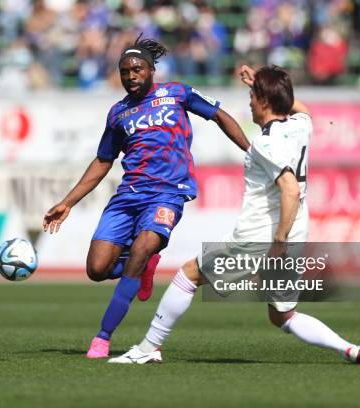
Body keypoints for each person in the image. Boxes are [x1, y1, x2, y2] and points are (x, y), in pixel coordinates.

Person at [109, 65, 360, 365]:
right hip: (297, 233)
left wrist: (278, 241)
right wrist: (265, 85)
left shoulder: (266, 143)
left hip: (260, 237)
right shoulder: (300, 126)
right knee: (282, 315)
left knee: (186, 277)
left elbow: (289, 189)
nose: (249, 102)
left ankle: (149, 348)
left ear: (265, 101)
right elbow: (301, 108)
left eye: (253, 96)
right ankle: (352, 350)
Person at [43, 36, 249, 359]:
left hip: (167, 194)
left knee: (140, 249)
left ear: (152, 70)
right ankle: (142, 265)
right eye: (124, 72)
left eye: (137, 69)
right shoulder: (118, 114)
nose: (130, 76)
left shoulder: (178, 93)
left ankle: (102, 338)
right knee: (96, 269)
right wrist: (68, 202)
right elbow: (102, 161)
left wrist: (249, 151)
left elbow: (219, 115)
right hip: (128, 197)